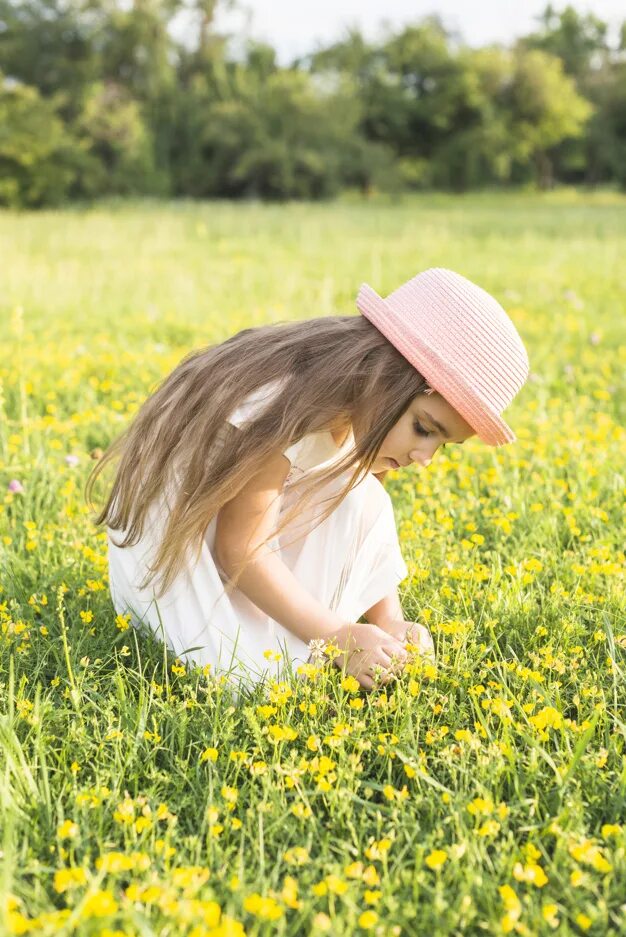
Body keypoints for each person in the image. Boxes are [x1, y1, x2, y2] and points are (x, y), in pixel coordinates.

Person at [86, 268, 529, 693]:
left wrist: (388, 618)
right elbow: (241, 548)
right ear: (387, 378)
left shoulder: (363, 410)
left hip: (226, 534)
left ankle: (324, 626)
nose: (425, 458)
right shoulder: (289, 403)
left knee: (365, 499)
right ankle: (292, 627)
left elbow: (361, 518)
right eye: (425, 429)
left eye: (442, 445)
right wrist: (336, 634)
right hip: (175, 556)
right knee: (252, 677)